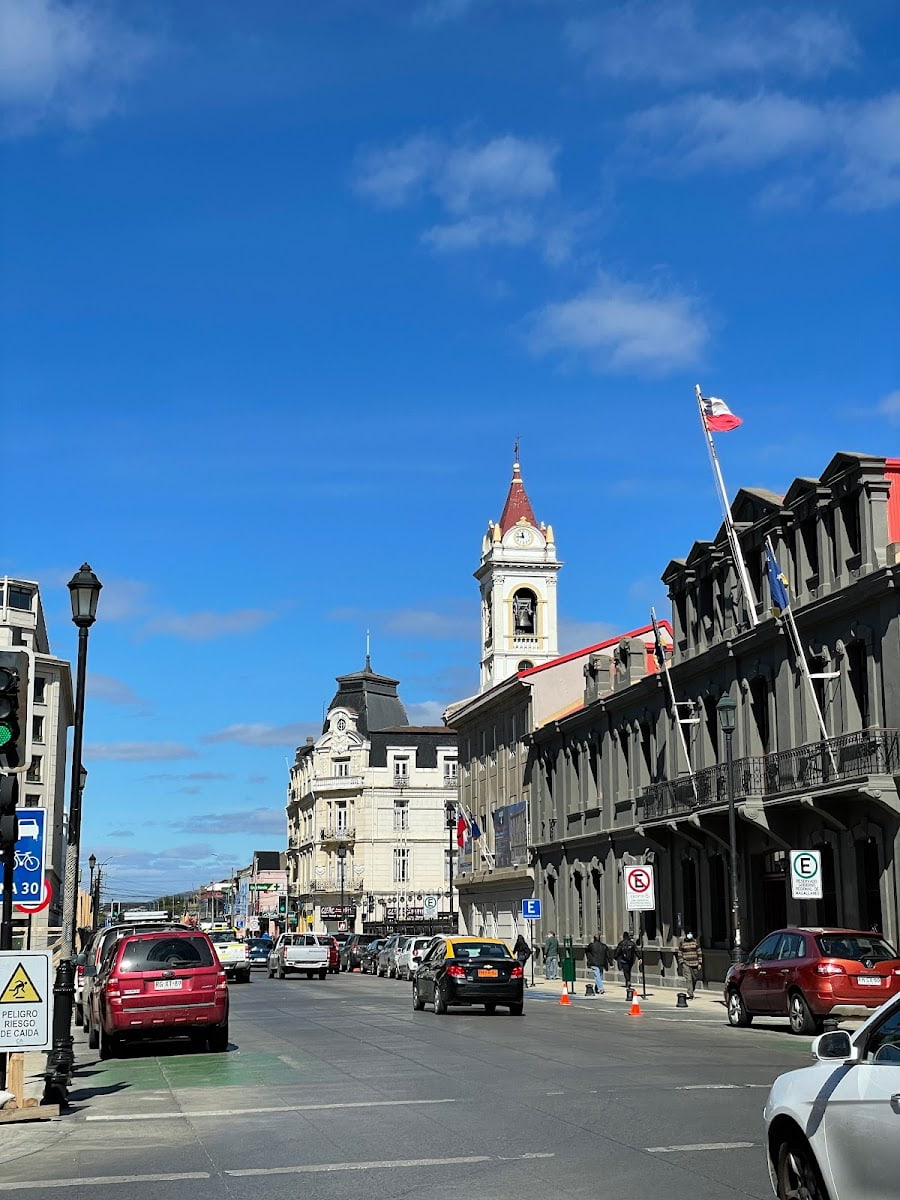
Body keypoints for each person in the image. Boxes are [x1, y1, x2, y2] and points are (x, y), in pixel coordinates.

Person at [677, 932, 704, 999]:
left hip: (695, 964)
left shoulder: (695, 942)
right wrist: (682, 962)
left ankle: (691, 990)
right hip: (686, 963)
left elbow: (699, 952)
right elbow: (680, 953)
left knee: (694, 979)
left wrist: (700, 963)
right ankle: (690, 993)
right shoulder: (682, 943)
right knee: (689, 979)